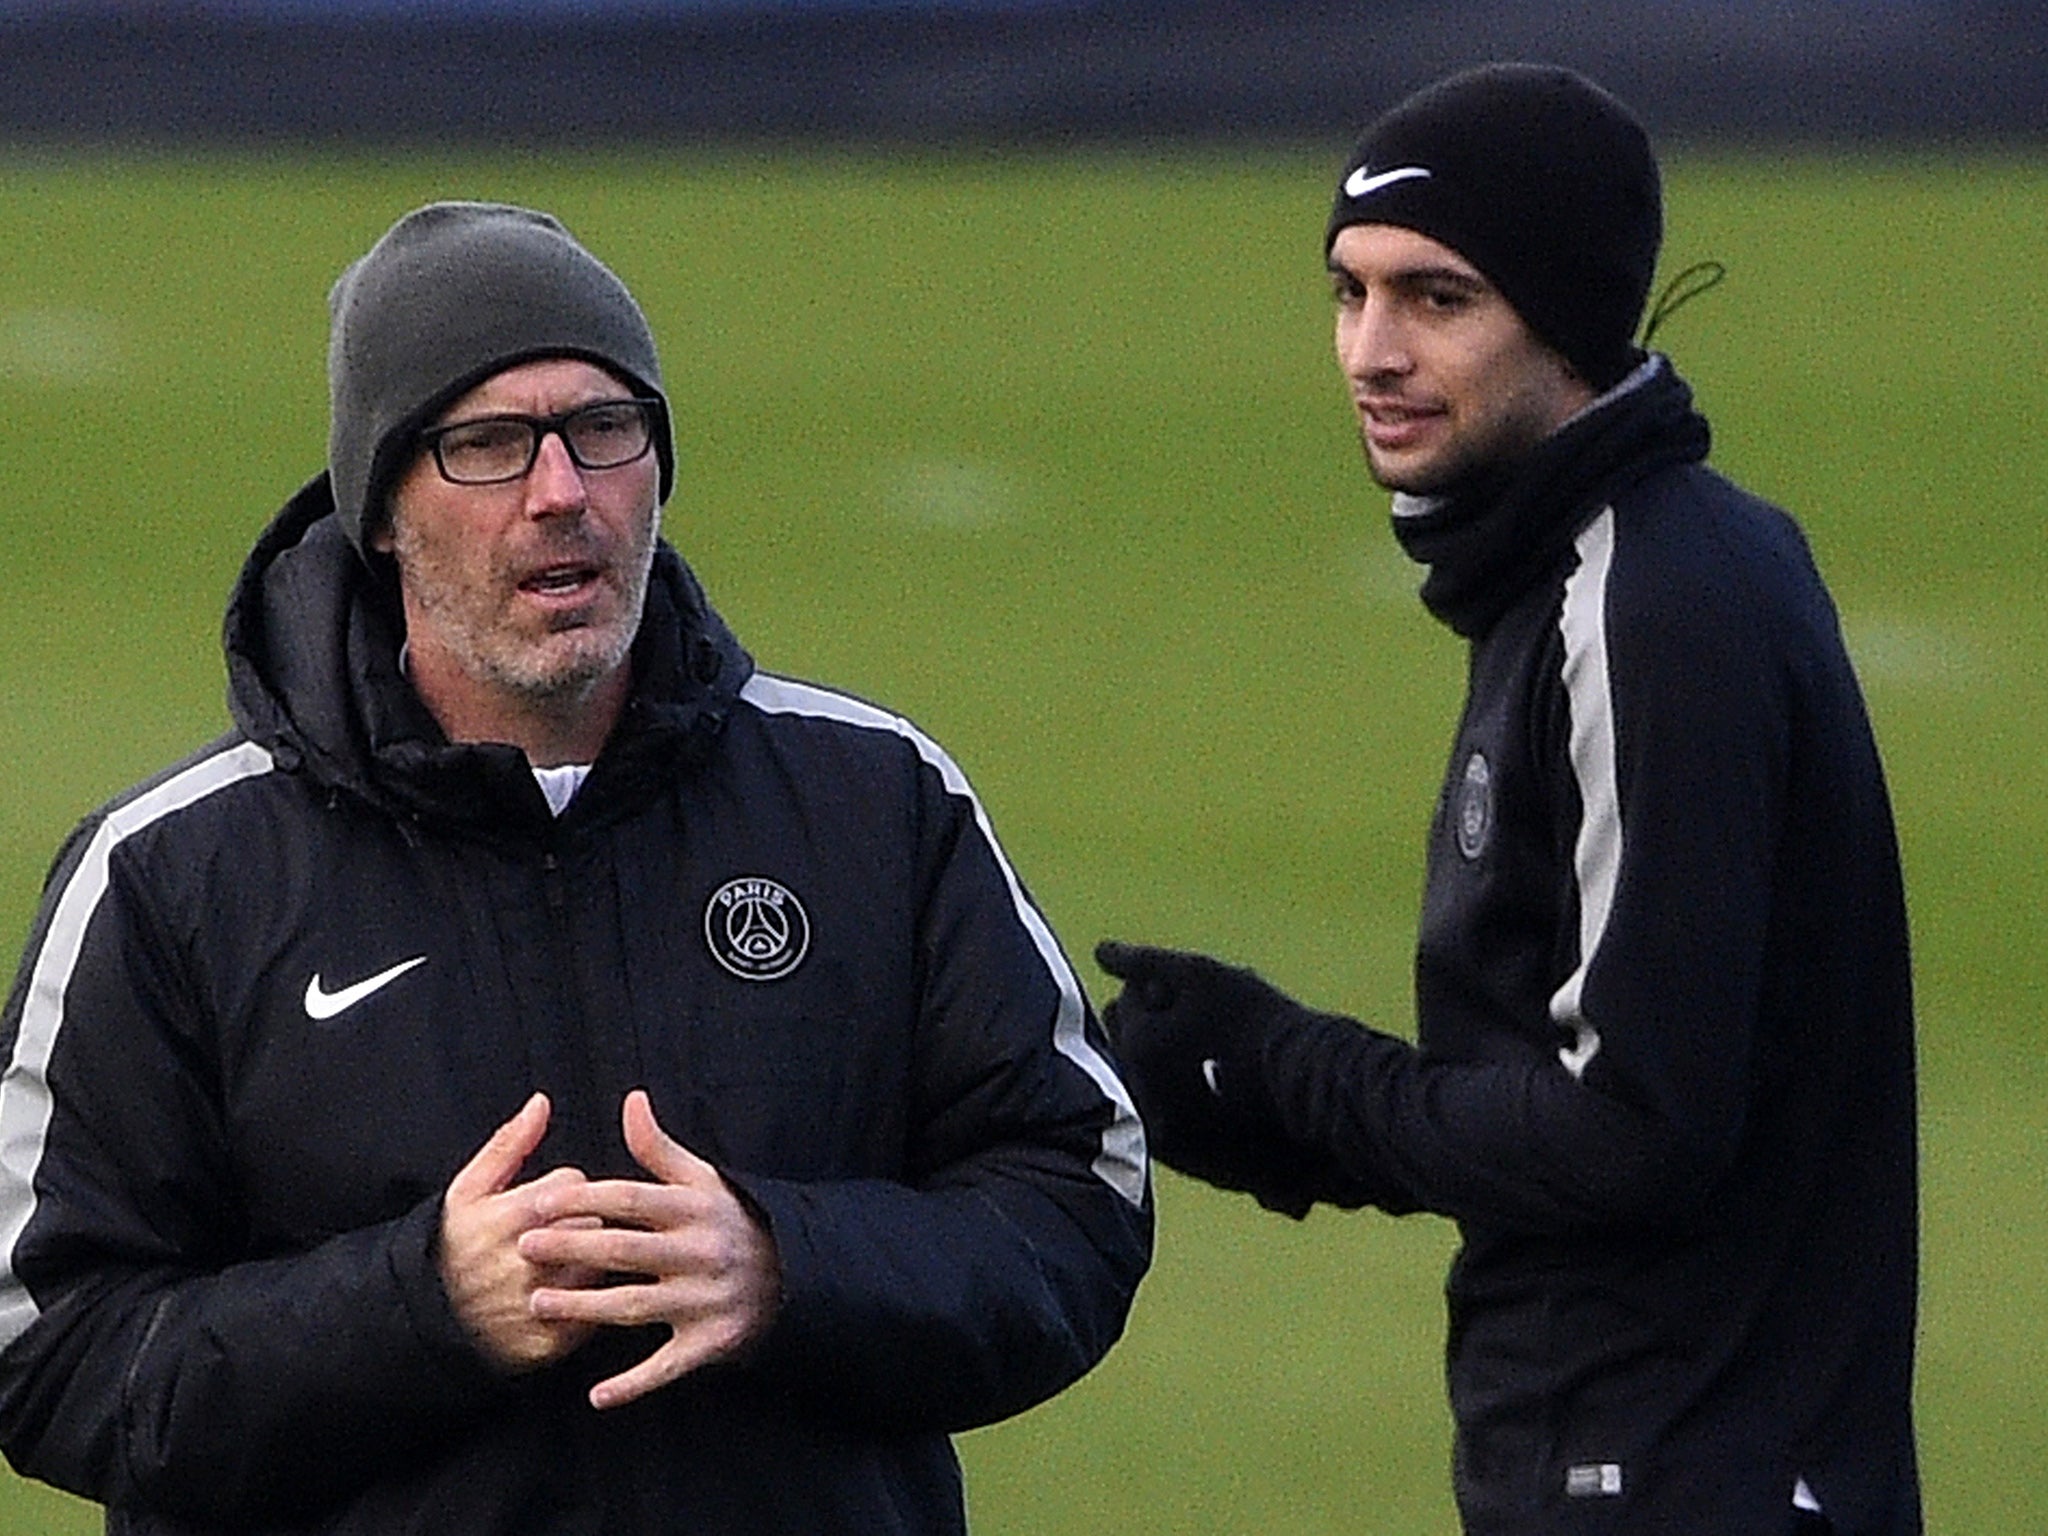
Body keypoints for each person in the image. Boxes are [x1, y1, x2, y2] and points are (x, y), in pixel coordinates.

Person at [0, 201, 1150, 1535]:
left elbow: (1077, 1194)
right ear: (381, 508)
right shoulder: (174, 874)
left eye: (604, 430)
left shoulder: (878, 801)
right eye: (488, 445)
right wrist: (420, 1307)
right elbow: (45, 1344)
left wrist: (788, 1269)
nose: (563, 493)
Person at [1095, 63, 1918, 1536]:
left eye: (1438, 298)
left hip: (1676, 1478)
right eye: (1348, 293)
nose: (1371, 349)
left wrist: (1288, 1076)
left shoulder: (1651, 604)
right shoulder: (1588, 574)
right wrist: (1278, 1110)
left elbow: (1636, 1133)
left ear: (1574, 317)